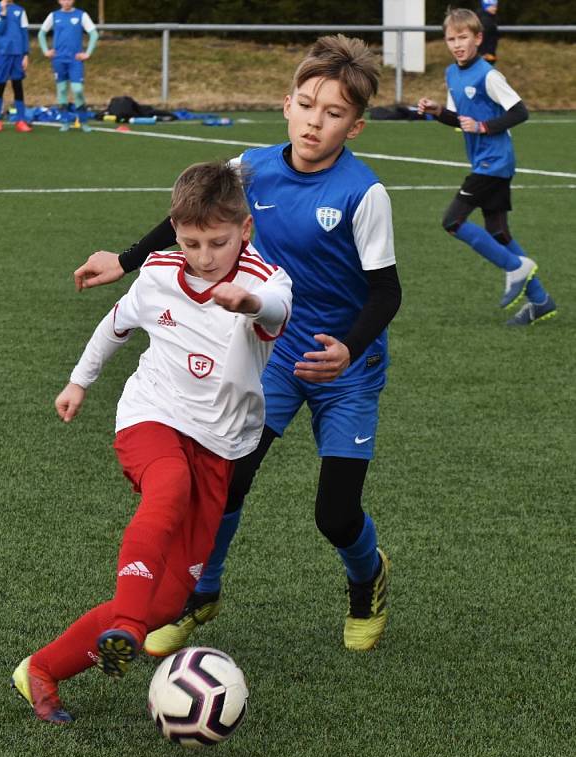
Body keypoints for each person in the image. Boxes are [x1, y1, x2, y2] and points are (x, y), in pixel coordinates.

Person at [73, 35, 403, 654]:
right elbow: (189, 216)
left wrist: (350, 350)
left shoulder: (365, 195)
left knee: (334, 514)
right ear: (287, 104)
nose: (316, 122)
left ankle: (368, 578)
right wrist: (124, 260)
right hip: (272, 354)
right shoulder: (250, 166)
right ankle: (202, 594)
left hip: (345, 367)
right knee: (228, 477)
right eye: (308, 105)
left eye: (334, 114)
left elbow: (386, 294)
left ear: (355, 127)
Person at [10, 161, 292, 723]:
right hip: (152, 415)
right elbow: (117, 323)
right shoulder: (161, 271)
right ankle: (128, 628)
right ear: (176, 232)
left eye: (218, 242)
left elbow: (278, 310)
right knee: (167, 488)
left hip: (221, 445)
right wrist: (78, 382)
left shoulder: (265, 282)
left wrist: (248, 303)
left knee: (169, 602)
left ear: (245, 231)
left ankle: (40, 670)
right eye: (192, 242)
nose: (206, 256)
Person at [418, 8, 557, 326]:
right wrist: (438, 110)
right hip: (484, 162)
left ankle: (515, 268)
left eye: (463, 37)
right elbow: (458, 120)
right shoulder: (452, 74)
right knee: (497, 231)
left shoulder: (488, 75)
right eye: (451, 39)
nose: (457, 44)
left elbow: (520, 112)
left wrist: (484, 127)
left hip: (495, 162)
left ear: (478, 38)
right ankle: (540, 300)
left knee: (452, 221)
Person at [38, 0, 99, 132]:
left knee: (77, 90)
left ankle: (83, 121)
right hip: (59, 59)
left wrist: (87, 53)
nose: (66, 1)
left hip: (75, 60)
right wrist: (45, 50)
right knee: (62, 90)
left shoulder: (81, 15)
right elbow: (41, 33)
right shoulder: (53, 15)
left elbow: (94, 34)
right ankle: (65, 121)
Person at [0, 0, 32, 133]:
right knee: (0, 85)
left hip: (18, 54)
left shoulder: (20, 10)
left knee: (18, 86)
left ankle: (21, 121)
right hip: (2, 54)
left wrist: (25, 54)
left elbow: (24, 33)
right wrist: (3, 13)